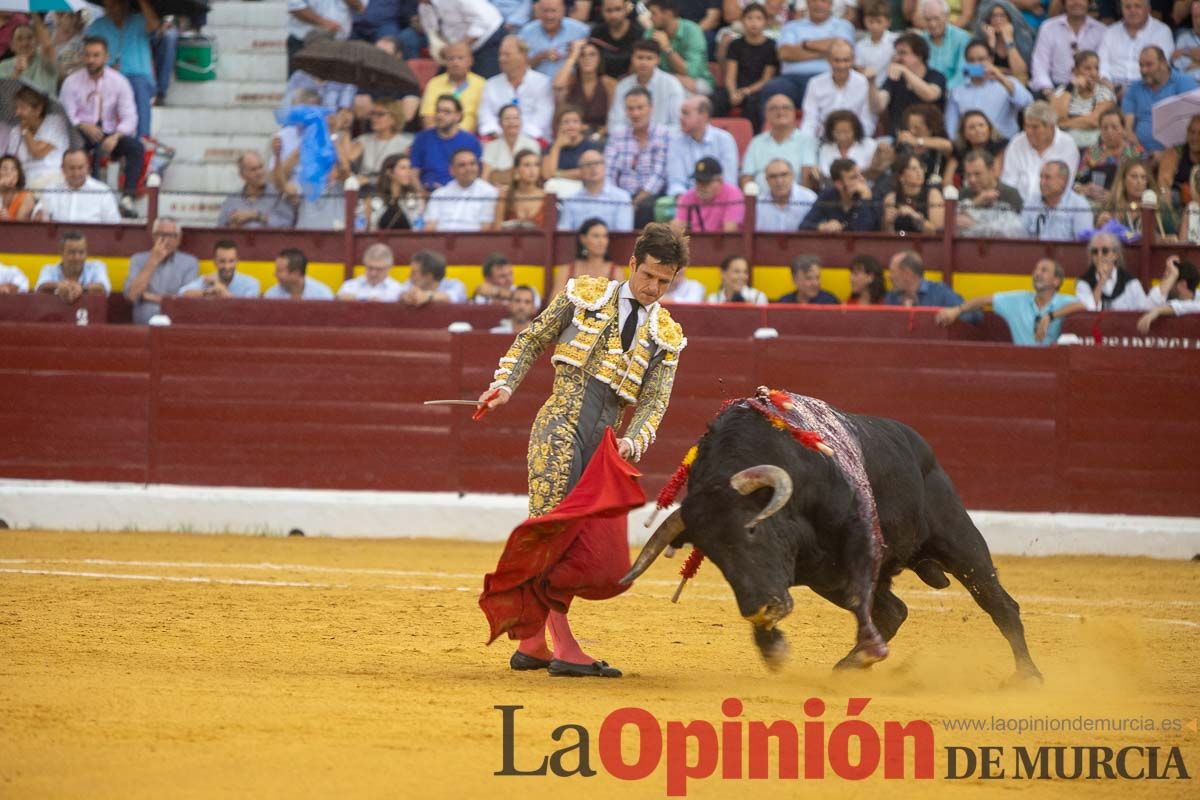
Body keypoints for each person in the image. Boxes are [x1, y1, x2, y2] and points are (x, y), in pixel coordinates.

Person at [477, 223, 689, 678]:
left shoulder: (666, 335)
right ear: (632, 264)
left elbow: (655, 401)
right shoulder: (584, 295)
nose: (654, 288)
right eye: (649, 276)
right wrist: (505, 385)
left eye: (664, 282)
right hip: (560, 427)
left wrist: (636, 438)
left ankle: (532, 643)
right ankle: (563, 647)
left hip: (605, 447)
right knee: (555, 535)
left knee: (579, 545)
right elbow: (533, 337)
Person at [59, 36, 144, 216]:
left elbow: (130, 117)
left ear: (106, 57)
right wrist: (83, 125)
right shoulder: (71, 81)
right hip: (82, 131)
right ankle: (88, 194)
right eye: (88, 55)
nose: (91, 60)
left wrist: (116, 136)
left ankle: (127, 199)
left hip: (109, 133)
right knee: (78, 146)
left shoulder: (119, 81)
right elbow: (66, 114)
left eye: (96, 55)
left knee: (136, 148)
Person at [936, 258, 1082, 345]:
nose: (1037, 273)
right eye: (1036, 270)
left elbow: (1086, 305)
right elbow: (985, 299)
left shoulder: (1064, 301)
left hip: (1053, 367)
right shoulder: (1019, 300)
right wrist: (957, 310)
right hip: (1023, 365)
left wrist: (1049, 316)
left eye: (1044, 270)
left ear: (1056, 281)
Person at [86, 0, 162, 138]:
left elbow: (155, 27)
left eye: (114, 5)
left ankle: (143, 140)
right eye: (107, 6)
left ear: (125, 4)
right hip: (107, 76)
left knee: (139, 87)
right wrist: (107, 67)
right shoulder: (98, 25)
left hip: (137, 77)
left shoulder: (140, 20)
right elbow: (90, 53)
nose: (110, 9)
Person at [761, 0, 855, 107]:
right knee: (771, 88)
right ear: (807, 4)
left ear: (831, 4)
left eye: (823, 1)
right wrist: (824, 52)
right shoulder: (791, 26)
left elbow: (842, 49)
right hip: (792, 80)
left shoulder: (843, 25)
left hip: (829, 78)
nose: (818, 4)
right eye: (813, 1)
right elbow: (784, 53)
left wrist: (806, 44)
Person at [604, 87, 669, 228]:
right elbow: (609, 172)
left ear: (651, 108)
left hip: (651, 194)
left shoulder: (663, 134)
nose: (635, 113)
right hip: (622, 194)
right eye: (630, 109)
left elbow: (659, 174)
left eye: (640, 108)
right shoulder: (617, 136)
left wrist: (637, 200)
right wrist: (616, 197)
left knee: (645, 207)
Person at [945, 39, 1032, 140]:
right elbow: (951, 127)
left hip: (1004, 145)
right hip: (972, 147)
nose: (976, 64)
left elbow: (1027, 104)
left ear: (990, 59)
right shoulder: (957, 91)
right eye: (971, 60)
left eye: (981, 59)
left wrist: (1001, 78)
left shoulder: (1008, 83)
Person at [1000, 100, 1081, 204]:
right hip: (1017, 206)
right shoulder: (1017, 142)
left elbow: (1063, 185)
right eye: (1026, 126)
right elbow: (1009, 182)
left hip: (1053, 207)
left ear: (1051, 127)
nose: (1029, 132)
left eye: (1035, 127)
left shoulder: (1067, 145)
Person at [1123, 46, 1199, 155]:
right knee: (1117, 153)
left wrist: (1165, 154)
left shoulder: (1185, 83)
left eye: (1149, 64)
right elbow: (1128, 129)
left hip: (1177, 152)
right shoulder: (1134, 88)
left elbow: (1195, 124)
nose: (1143, 70)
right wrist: (1141, 151)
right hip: (1140, 152)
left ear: (1163, 63)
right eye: (1141, 65)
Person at [478, 36, 554, 142]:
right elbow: (486, 116)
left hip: (533, 142)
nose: (501, 59)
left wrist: (517, 139)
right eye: (500, 54)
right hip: (498, 140)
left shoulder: (542, 83)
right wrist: (502, 136)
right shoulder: (491, 84)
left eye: (507, 55)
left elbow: (542, 119)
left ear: (523, 55)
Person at [713, 3, 778, 130]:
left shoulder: (771, 46)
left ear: (765, 22)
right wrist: (732, 92)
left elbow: (766, 79)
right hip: (736, 88)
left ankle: (751, 140)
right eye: (749, 18)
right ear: (742, 21)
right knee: (716, 99)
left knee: (753, 104)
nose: (754, 23)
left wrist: (746, 91)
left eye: (759, 18)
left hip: (757, 90)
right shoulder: (735, 45)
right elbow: (730, 75)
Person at [124, 217, 200, 324]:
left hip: (176, 326)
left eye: (171, 236)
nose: (166, 240)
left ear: (178, 239)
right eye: (161, 235)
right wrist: (153, 261)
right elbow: (132, 296)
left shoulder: (190, 263)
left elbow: (185, 301)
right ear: (154, 237)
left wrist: (149, 296)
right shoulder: (138, 260)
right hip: (143, 328)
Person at [869, 32, 946, 136]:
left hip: (929, 138)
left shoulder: (936, 76)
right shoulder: (894, 79)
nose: (897, 58)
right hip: (898, 136)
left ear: (919, 55)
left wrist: (905, 71)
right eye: (896, 53)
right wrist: (871, 83)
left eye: (903, 53)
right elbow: (878, 107)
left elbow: (930, 95)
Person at [799, 39, 875, 144]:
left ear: (853, 60)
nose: (841, 66)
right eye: (837, 60)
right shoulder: (815, 83)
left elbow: (867, 120)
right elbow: (810, 120)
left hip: (855, 139)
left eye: (846, 60)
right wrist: (807, 143)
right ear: (828, 60)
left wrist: (857, 140)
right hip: (823, 139)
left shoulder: (863, 83)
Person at [739, 94, 819, 191]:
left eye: (785, 108)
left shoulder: (807, 141)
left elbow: (808, 176)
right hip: (761, 202)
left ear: (794, 113)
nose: (780, 112)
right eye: (773, 108)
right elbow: (747, 177)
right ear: (766, 115)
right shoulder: (757, 142)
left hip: (796, 202)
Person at [665, 96, 739, 198]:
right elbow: (676, 182)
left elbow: (728, 181)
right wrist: (687, 200)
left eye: (686, 113)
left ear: (703, 116)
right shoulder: (676, 142)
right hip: (686, 201)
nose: (681, 118)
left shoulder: (724, 140)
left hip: (719, 200)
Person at [607, 39, 685, 131]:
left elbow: (678, 125)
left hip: (664, 141)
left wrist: (652, 136)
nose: (643, 63)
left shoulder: (672, 84)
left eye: (649, 58)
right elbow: (614, 124)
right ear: (632, 59)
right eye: (640, 57)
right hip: (629, 140)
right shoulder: (623, 86)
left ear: (658, 60)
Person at [1030, 0, 1105, 94]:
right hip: (1055, 88)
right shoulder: (1048, 28)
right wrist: (1048, 90)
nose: (1077, 2)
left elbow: (1104, 67)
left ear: (1089, 2)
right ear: (1064, 2)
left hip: (1090, 89)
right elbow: (1039, 65)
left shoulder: (1101, 31)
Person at [409, 94, 482, 191]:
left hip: (460, 195)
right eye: (438, 111)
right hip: (427, 195)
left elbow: (476, 175)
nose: (440, 115)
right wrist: (422, 195)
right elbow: (413, 174)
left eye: (446, 112)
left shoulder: (471, 141)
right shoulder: (422, 138)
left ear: (458, 116)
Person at [416, 0, 506, 79]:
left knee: (483, 83)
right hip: (458, 48)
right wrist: (441, 48)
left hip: (488, 39)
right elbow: (432, 32)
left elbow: (483, 20)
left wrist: (460, 47)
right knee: (440, 84)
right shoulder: (423, 7)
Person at [1076, 109, 1145, 208]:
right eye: (1105, 128)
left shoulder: (1134, 151)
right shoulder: (1094, 152)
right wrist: (1083, 188)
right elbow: (1077, 180)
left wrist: (1115, 197)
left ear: (1123, 129)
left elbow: (1142, 184)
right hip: (1094, 203)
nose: (1109, 131)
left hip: (1125, 205)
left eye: (1114, 127)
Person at [1097, 0, 1173, 89]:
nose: (1132, 11)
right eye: (1128, 7)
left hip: (1147, 87)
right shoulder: (1110, 32)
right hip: (1111, 87)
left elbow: (1160, 67)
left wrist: (1133, 91)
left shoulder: (1162, 32)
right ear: (1121, 10)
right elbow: (1101, 63)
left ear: (1148, 9)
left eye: (1137, 6)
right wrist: (1108, 84)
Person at [33, 149, 121, 225]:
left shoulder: (103, 192)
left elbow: (114, 225)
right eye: (72, 168)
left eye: (80, 168)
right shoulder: (51, 190)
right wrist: (39, 213)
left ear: (87, 167)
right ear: (63, 169)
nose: (76, 173)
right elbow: (39, 214)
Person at [884, 250, 977, 321]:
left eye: (893, 271)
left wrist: (954, 313)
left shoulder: (939, 292)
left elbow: (975, 315)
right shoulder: (892, 296)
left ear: (907, 274)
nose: (889, 276)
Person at [1051, 50, 1116, 150]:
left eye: (1096, 68)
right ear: (1075, 71)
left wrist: (1063, 124)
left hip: (1093, 147)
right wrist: (1071, 87)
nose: (1093, 73)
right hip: (1063, 146)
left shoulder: (1105, 92)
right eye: (1087, 68)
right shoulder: (1062, 90)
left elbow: (1094, 121)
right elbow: (1055, 115)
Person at [644, 0, 712, 95]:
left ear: (668, 14)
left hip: (697, 81)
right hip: (663, 80)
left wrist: (667, 48)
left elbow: (691, 73)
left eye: (653, 13)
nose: (650, 18)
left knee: (678, 93)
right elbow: (645, 67)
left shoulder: (692, 31)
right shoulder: (651, 32)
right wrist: (672, 78)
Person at [1097, 159, 1178, 239]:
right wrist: (1100, 228)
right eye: (1134, 176)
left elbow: (1173, 238)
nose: (1139, 181)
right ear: (1123, 181)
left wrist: (1159, 238)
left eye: (1143, 177)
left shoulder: (1160, 206)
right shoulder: (1111, 207)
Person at [557, 152, 634, 232]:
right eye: (588, 165)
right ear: (580, 171)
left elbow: (623, 234)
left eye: (597, 163)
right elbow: (564, 233)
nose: (593, 168)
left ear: (605, 167)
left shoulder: (622, 198)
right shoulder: (570, 200)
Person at [418, 42, 486, 133]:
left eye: (460, 58)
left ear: (470, 61)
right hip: (440, 138)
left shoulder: (482, 84)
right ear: (446, 62)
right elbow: (428, 118)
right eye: (451, 58)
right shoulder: (434, 83)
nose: (455, 62)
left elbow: (483, 119)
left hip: (470, 139)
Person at [552, 40, 617, 135]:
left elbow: (613, 117)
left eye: (592, 55)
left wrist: (599, 134)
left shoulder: (609, 83)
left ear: (599, 59)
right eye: (582, 55)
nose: (587, 59)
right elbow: (557, 85)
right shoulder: (570, 80)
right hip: (572, 134)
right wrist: (573, 56)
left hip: (600, 135)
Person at [1074, 232, 1150, 311]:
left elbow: (1144, 310)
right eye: (1095, 251)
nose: (1099, 255)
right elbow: (1086, 311)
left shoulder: (1131, 283)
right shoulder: (1083, 283)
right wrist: (1101, 281)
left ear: (1115, 255)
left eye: (1105, 251)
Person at [218, 152, 296, 229]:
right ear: (242, 175)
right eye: (253, 169)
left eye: (261, 167)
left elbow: (287, 224)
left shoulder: (277, 195)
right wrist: (231, 225)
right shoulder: (232, 199)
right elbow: (220, 228)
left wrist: (256, 216)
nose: (259, 172)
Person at [956, 149, 1025, 236]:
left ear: (992, 170)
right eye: (968, 175)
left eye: (977, 174)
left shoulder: (1010, 194)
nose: (972, 180)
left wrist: (976, 225)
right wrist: (975, 202)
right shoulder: (964, 193)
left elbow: (1015, 229)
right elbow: (953, 222)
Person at [800, 158, 879, 232]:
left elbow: (863, 231)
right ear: (839, 184)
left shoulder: (871, 196)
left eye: (861, 175)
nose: (862, 179)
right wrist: (823, 227)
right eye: (854, 177)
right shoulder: (828, 195)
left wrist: (865, 200)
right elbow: (804, 226)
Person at [34, 230, 112, 305]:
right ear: (61, 252)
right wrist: (59, 286)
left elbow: (103, 289)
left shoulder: (97, 267)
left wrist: (82, 288)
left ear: (86, 252)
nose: (77, 257)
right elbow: (40, 288)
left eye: (81, 252)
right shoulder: (49, 269)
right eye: (72, 252)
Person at [551, 218, 623, 297]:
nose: (602, 241)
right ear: (583, 239)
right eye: (596, 236)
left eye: (605, 236)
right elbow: (554, 305)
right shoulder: (566, 271)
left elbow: (620, 304)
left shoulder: (616, 271)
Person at [1021, 160, 1093, 241]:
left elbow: (1083, 245)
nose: (1042, 182)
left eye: (1047, 177)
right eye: (1041, 177)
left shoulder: (1080, 206)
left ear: (1063, 181)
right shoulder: (1032, 202)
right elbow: (1021, 237)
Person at [672, 156, 745, 233]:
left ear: (720, 180)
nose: (701, 186)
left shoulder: (733, 194)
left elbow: (730, 232)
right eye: (698, 181)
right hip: (694, 243)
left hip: (721, 243)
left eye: (706, 182)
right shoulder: (688, 196)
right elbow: (676, 229)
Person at [520, 0, 589, 79]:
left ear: (563, 11)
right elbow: (519, 66)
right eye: (545, 11)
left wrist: (575, 53)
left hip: (570, 87)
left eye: (554, 11)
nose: (549, 16)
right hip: (536, 88)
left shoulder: (580, 30)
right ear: (537, 12)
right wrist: (540, 57)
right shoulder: (526, 32)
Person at [349, 100, 413, 184]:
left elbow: (406, 174)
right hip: (363, 188)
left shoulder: (405, 144)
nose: (374, 118)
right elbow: (346, 161)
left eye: (380, 114)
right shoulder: (364, 140)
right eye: (372, 114)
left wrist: (370, 180)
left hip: (389, 188)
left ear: (394, 118)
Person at [542, 106, 602, 192]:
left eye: (575, 121)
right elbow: (547, 174)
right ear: (559, 126)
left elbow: (587, 173)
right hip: (558, 191)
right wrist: (557, 147)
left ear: (582, 126)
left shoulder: (590, 147)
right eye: (566, 122)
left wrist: (557, 173)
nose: (571, 125)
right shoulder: (551, 147)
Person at [883, 152, 945, 233]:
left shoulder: (933, 194)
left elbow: (937, 232)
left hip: (926, 244)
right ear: (901, 176)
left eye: (920, 167)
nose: (919, 172)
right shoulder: (891, 198)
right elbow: (886, 234)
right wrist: (888, 223)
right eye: (913, 169)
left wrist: (915, 216)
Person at [178, 240, 261, 299]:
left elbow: (246, 307)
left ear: (237, 261)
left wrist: (221, 289)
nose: (227, 266)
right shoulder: (207, 279)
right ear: (215, 262)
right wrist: (208, 293)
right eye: (222, 261)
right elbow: (181, 293)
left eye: (231, 261)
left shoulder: (251, 283)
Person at [945, 108, 1006, 187]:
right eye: (972, 127)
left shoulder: (1000, 146)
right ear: (964, 134)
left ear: (989, 128)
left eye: (981, 125)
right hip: (961, 192)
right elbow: (947, 179)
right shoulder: (959, 149)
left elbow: (995, 175)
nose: (978, 130)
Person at [1138, 255, 1200, 331]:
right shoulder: (1165, 296)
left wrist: (1158, 310)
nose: (1167, 284)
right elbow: (1148, 307)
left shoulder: (1198, 299)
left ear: (1182, 284)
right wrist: (1170, 274)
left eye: (1171, 280)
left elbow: (1189, 306)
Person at [0, 19, 57, 97]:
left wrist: (34, 15)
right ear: (12, 45)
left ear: (37, 42)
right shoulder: (3, 66)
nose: (25, 43)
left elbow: (48, 46)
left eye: (30, 38)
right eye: (19, 39)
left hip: (48, 107)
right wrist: (17, 73)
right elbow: (4, 95)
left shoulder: (46, 62)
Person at [756, 158, 817, 231]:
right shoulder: (758, 204)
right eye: (773, 176)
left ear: (792, 176)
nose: (779, 181)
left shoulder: (809, 199)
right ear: (766, 180)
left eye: (784, 175)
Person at [590, 0, 644, 79]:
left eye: (618, 9)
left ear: (626, 9)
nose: (613, 15)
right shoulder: (597, 32)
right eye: (608, 10)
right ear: (601, 11)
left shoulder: (638, 33)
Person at [495, 149, 546, 229]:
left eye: (536, 165)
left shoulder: (547, 197)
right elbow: (496, 230)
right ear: (516, 170)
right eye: (527, 165)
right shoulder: (505, 196)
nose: (532, 170)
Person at [374, 153, 426, 230]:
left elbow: (419, 227)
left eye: (410, 168)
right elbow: (367, 227)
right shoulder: (375, 199)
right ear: (390, 172)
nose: (409, 172)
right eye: (403, 168)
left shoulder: (416, 198)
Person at [337, 243, 404, 301]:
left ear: (390, 267)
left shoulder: (398, 291)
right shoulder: (349, 287)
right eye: (370, 268)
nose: (373, 273)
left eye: (379, 269)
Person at [399, 248, 468, 305]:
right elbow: (400, 293)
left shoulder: (455, 284)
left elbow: (452, 296)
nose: (410, 276)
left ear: (429, 276)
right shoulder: (411, 283)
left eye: (414, 273)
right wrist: (406, 296)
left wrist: (428, 296)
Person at [264, 248, 334, 300]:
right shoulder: (271, 295)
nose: (275, 274)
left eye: (280, 271)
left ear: (296, 274)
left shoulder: (322, 294)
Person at [0, 155, 34, 222]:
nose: (9, 173)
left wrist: (8, 219)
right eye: (4, 168)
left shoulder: (26, 196)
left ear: (18, 174)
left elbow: (19, 226)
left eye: (14, 169)